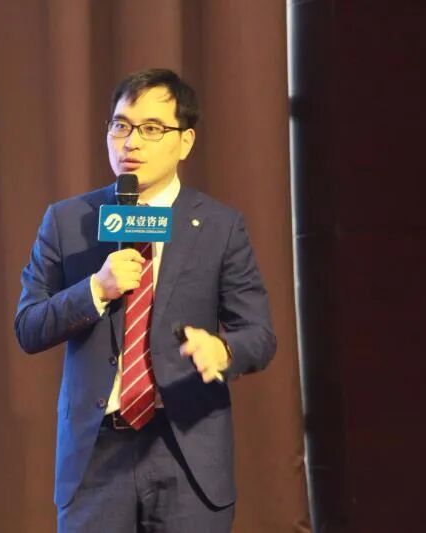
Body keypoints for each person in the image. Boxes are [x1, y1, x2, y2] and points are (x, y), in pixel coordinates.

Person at [15, 68, 276, 532]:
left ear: (185, 141)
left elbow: (259, 334)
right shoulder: (68, 221)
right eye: (121, 125)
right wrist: (95, 290)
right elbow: (28, 326)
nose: (131, 142)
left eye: (151, 128)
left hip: (187, 450)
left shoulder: (219, 226)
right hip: (96, 457)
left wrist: (224, 349)